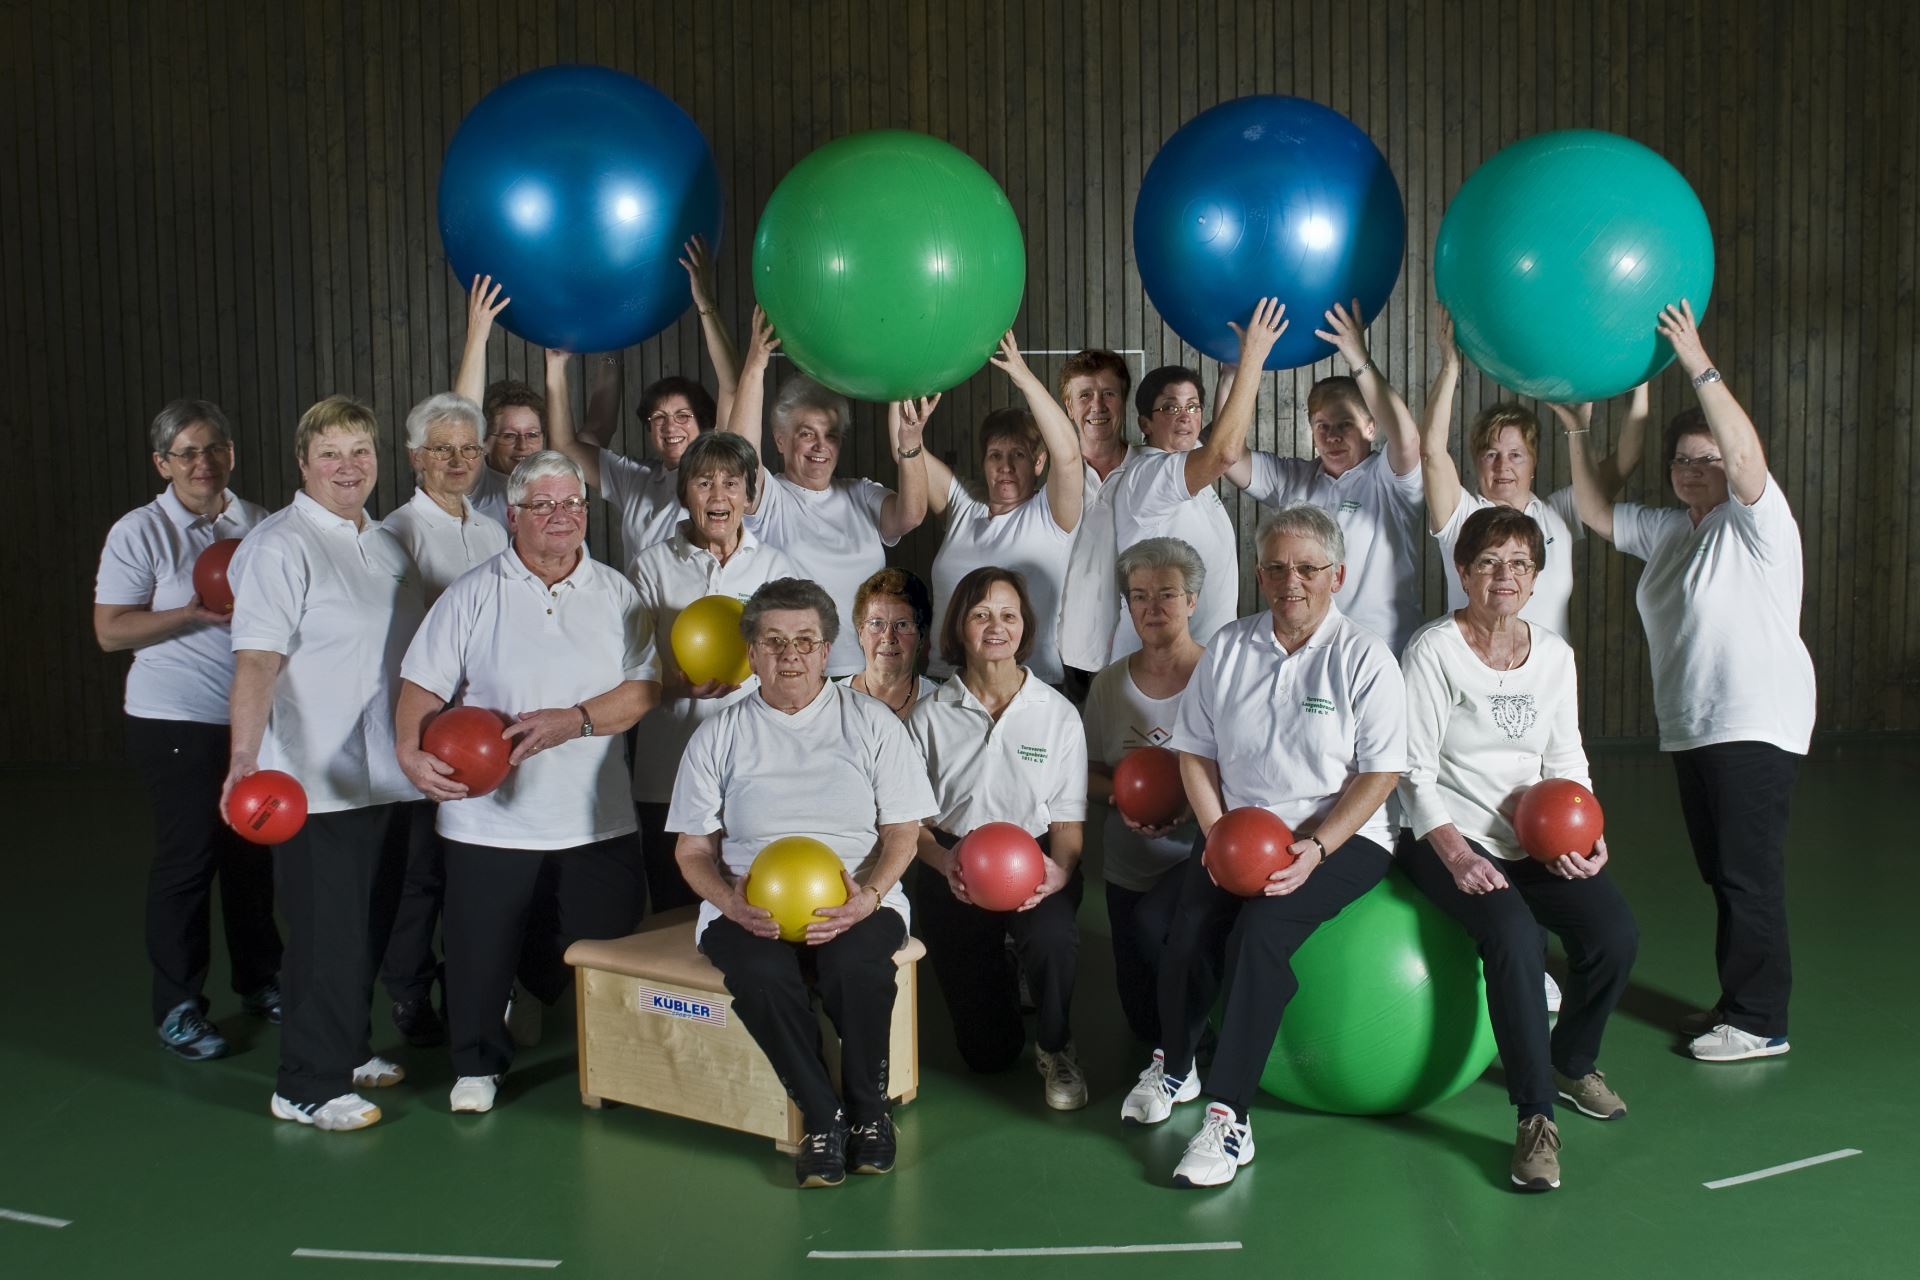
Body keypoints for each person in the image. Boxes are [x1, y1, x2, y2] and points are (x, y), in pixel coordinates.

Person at [1123, 504, 1405, 1189]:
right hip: (1241, 831)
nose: (1291, 581)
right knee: (1175, 926)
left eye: (1308, 568)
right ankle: (1177, 1066)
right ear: (1258, 574)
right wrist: (1217, 835)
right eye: (1277, 567)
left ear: (1337, 575)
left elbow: (1381, 772)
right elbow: (1194, 754)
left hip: (1339, 836)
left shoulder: (1364, 658)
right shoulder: (1229, 646)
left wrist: (1318, 847)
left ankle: (1230, 1119)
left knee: (1258, 937)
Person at [1565, 300, 1815, 1064]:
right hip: (1695, 725)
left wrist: (1696, 359)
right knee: (1722, 873)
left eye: (1706, 460)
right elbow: (1598, 514)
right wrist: (1576, 433)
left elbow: (1744, 462)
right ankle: (1738, 1003)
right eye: (1683, 461)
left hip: (1754, 721)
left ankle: (1762, 1020)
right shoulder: (1675, 531)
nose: (1696, 470)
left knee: (1747, 876)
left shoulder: (1756, 521)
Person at [394, 450, 655, 1114]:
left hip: (597, 815)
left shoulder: (619, 593)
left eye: (572, 503)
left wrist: (576, 720)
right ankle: (476, 1065)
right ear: (513, 515)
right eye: (544, 505)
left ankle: (547, 1001)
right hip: (489, 818)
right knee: (480, 947)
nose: (562, 517)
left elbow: (644, 690)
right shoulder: (472, 593)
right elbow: (421, 685)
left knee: (598, 940)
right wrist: (408, 750)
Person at [1397, 506, 1639, 1192]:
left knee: (1615, 936)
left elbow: (1567, 758)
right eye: (1488, 562)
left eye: (1520, 564)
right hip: (1449, 833)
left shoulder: (1555, 655)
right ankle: (1535, 1118)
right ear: (1463, 571)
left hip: (1535, 837)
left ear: (1536, 577)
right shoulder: (1434, 650)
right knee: (1515, 937)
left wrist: (1587, 834)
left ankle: (1572, 1059)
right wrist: (1456, 854)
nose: (1505, 576)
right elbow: (1413, 772)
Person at [667, 577, 937, 1188]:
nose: (790, 654)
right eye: (774, 641)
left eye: (806, 641)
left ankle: (871, 1114)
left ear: (827, 649)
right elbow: (692, 851)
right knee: (762, 976)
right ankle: (824, 1116)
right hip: (746, 908)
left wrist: (867, 898)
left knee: (856, 968)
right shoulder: (718, 734)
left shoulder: (871, 723)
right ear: (752, 651)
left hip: (860, 901)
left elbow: (902, 833)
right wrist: (729, 904)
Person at [224, 395, 426, 1132]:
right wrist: (243, 758)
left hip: (384, 772)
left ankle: (346, 1047)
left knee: (370, 924)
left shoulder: (384, 542)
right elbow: (255, 661)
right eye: (332, 454)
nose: (349, 467)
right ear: (304, 464)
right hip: (310, 780)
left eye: (360, 452)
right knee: (323, 932)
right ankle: (306, 1083)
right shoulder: (280, 546)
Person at [94, 398, 280, 1061]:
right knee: (189, 861)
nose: (203, 463)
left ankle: (262, 981)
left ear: (231, 453)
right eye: (187, 452)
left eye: (214, 449)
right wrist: (194, 613)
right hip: (173, 718)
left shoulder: (258, 523)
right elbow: (111, 629)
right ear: (162, 463)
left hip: (248, 722)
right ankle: (178, 1006)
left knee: (251, 858)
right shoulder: (140, 532)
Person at [905, 568, 1090, 1109]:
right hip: (952, 863)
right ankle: (1003, 975)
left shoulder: (1057, 715)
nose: (995, 626)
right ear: (959, 627)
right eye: (980, 613)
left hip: (1033, 859)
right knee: (988, 1055)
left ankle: (1056, 1044)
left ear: (1024, 627)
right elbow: (909, 825)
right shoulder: (927, 716)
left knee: (1053, 938)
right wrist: (942, 863)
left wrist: (1059, 873)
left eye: (1008, 614)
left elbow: (1068, 823)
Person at [376, 392, 511, 1047]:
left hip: (488, 729)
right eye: (442, 449)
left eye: (468, 449)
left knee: (473, 873)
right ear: (413, 458)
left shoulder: (491, 530)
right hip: (432, 727)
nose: (457, 461)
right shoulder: (394, 532)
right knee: (420, 872)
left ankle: (470, 997)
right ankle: (407, 992)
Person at [629, 432, 801, 913]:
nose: (718, 496)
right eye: (704, 482)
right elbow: (626, 671)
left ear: (749, 496)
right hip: (667, 769)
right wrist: (677, 686)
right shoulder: (650, 567)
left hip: (753, 770)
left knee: (749, 902)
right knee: (671, 909)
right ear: (685, 493)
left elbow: (795, 664)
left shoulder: (775, 568)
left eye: (732, 483)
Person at [1421, 304, 1648, 635]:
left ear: (1534, 461)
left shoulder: (1562, 511)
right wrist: (1450, 368)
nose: (1503, 466)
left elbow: (1628, 458)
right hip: (1476, 678)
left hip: (1548, 682)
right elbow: (1430, 452)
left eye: (1515, 454)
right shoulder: (1462, 515)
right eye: (1490, 454)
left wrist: (1641, 377)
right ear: (1475, 460)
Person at [729, 307, 929, 676]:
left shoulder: (860, 494)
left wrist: (911, 442)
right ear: (780, 440)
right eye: (807, 434)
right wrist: (755, 366)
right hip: (799, 677)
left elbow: (911, 514)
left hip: (868, 674)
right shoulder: (772, 498)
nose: (820, 446)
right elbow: (739, 457)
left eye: (831, 436)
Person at [1228, 301, 1425, 655]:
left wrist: (1358, 357)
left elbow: (1408, 438)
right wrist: (1236, 369)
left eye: (1345, 425)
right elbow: (1229, 457)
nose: (1332, 436)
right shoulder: (1296, 479)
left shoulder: (1389, 478)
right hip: (1310, 650)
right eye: (1323, 426)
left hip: (1385, 651)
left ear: (1370, 427)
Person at [542, 236, 738, 563]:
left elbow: (732, 386)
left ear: (706, 424)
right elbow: (566, 449)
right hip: (642, 611)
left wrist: (705, 303)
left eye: (682, 416)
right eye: (658, 418)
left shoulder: (722, 471)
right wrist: (555, 369)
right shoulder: (636, 479)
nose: (669, 426)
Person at [1109, 299, 1288, 656]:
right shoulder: (1147, 475)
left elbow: (1219, 435)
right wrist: (1254, 358)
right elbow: (1223, 452)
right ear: (1145, 423)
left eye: (1193, 406)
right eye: (1170, 407)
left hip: (1199, 659)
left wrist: (1230, 372)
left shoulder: (1187, 463)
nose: (1185, 416)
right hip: (1158, 663)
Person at [1082, 537, 1206, 1045]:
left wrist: (1187, 807)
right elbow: (1084, 772)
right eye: (1138, 596)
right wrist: (1121, 798)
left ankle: (1194, 1050)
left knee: (1181, 971)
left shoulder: (1217, 675)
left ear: (1192, 601)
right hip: (1127, 864)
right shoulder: (1109, 685)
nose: (1151, 608)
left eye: (1167, 595)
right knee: (1141, 1019)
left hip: (1197, 861)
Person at [922, 332, 1083, 685]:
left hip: (1031, 686)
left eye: (1018, 455)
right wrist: (898, 379)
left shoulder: (1051, 517)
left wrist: (1023, 376)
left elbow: (1069, 456)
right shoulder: (963, 509)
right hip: (946, 683)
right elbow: (908, 452)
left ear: (1038, 462)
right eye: (996, 455)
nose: (1005, 466)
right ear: (983, 462)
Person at [1054, 349, 1135, 699]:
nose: (1097, 406)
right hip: (1065, 658)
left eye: (1108, 394)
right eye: (1084, 395)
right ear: (1070, 408)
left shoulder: (1152, 469)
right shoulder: (1054, 481)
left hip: (1136, 653)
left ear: (1123, 401)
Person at [453, 274, 544, 525]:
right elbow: (463, 425)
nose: (524, 446)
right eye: (509, 436)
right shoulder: (478, 487)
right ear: (485, 444)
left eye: (533, 434)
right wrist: (477, 337)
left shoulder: (553, 486)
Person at [840, 568, 939, 718]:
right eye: (876, 623)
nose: (888, 636)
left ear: (921, 636)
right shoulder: (832, 703)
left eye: (902, 624)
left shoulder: (941, 706)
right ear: (861, 634)